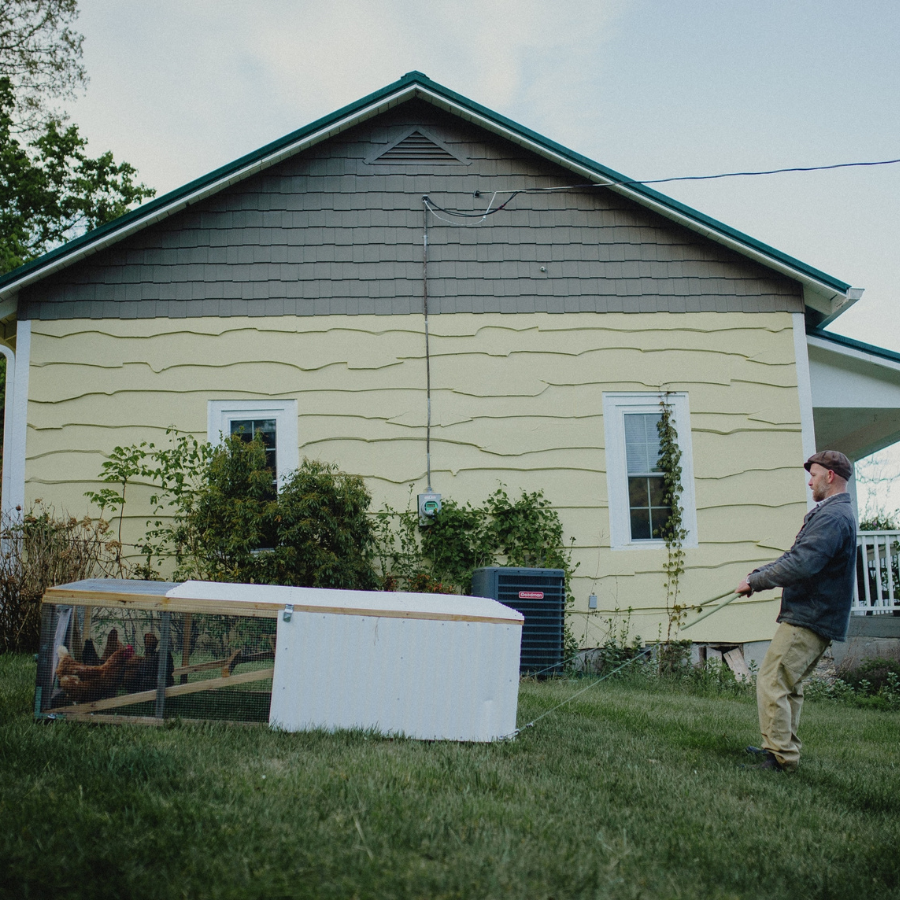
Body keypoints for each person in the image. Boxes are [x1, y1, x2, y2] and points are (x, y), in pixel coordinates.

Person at [735, 450, 857, 772]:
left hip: (811, 615)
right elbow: (795, 554)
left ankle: (779, 758)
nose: (809, 481)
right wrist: (754, 577)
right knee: (789, 685)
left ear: (830, 476)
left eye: (814, 474)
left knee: (773, 679)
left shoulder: (833, 517)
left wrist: (758, 581)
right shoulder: (831, 513)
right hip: (816, 614)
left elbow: (803, 564)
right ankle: (779, 747)